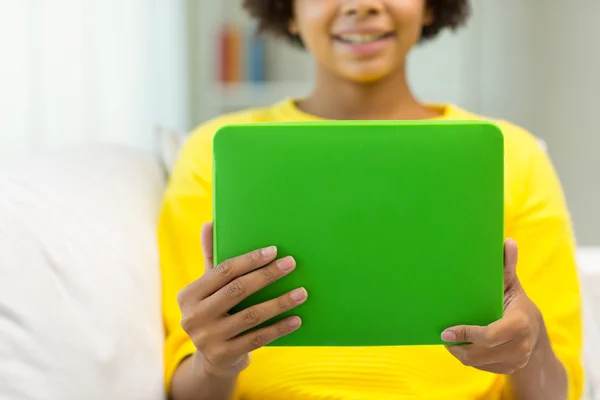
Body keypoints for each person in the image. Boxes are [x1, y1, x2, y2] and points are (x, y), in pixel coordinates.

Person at [157, 0, 583, 399]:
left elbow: (557, 389)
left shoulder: (515, 155)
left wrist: (531, 345)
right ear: (287, 9)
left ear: (430, 5)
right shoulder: (214, 154)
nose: (362, 5)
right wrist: (216, 362)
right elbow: (184, 386)